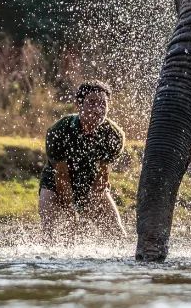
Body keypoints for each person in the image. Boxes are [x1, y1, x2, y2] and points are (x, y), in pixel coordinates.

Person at [39, 80, 126, 241]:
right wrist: (72, 216)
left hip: (91, 183)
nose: (98, 110)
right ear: (79, 105)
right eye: (91, 103)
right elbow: (62, 179)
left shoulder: (114, 135)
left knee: (118, 234)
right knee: (50, 233)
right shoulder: (59, 130)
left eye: (103, 104)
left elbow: (102, 180)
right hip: (55, 184)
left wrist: (88, 213)